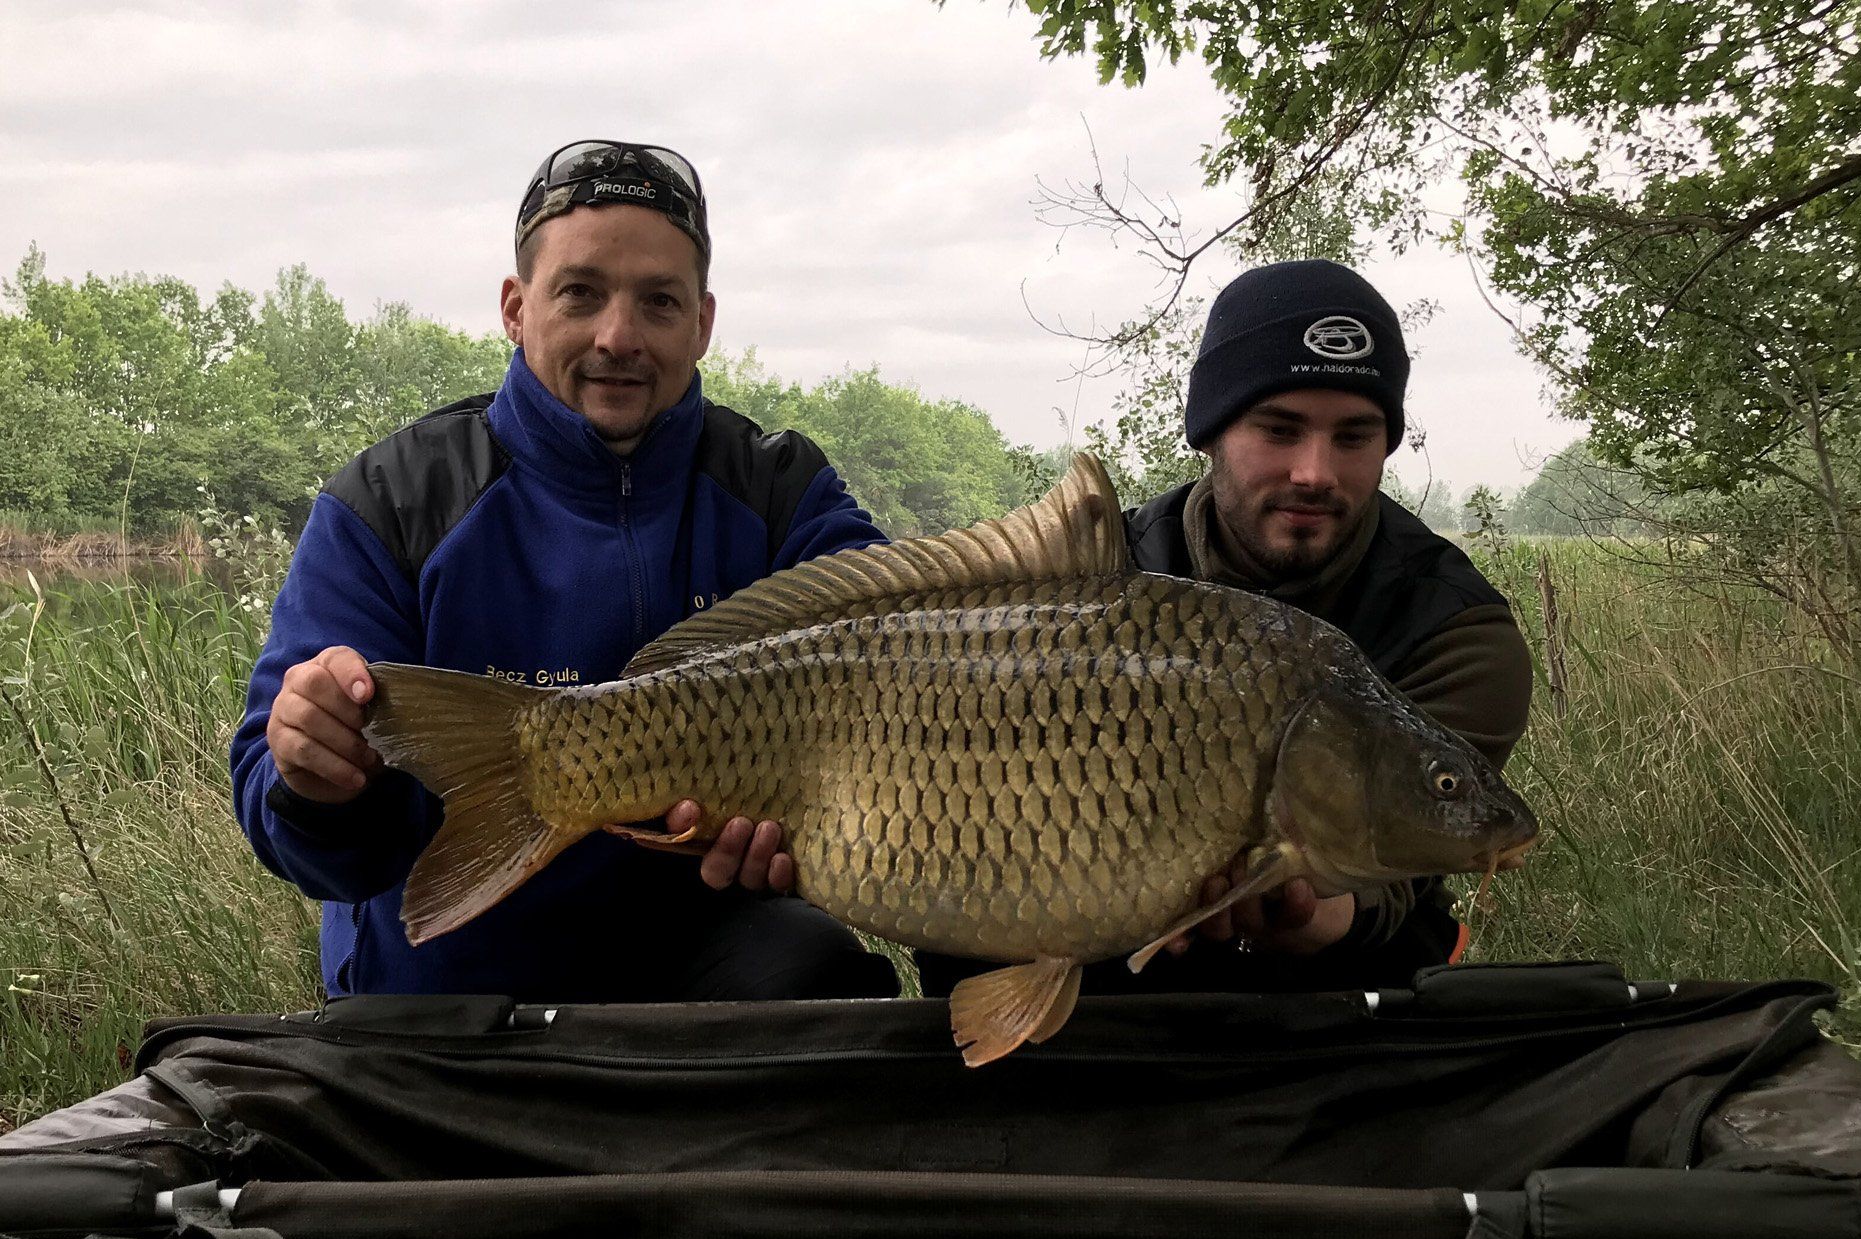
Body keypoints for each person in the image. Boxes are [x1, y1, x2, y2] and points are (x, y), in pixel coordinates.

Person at [229, 140, 898, 1004]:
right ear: (516, 307)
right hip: (454, 972)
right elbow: (299, 831)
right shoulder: (396, 499)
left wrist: (801, 837)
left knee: (826, 972)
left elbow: (906, 646)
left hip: (695, 951)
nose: (618, 337)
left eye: (659, 303)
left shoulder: (778, 494)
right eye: (580, 293)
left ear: (701, 323)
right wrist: (315, 776)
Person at [919, 259, 1532, 997]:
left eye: (1353, 436)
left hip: (1328, 986)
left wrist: (1304, 913)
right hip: (1075, 943)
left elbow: (1396, 875)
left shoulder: (1453, 627)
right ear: (1211, 432)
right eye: (1280, 429)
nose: (1314, 470)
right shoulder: (1098, 578)